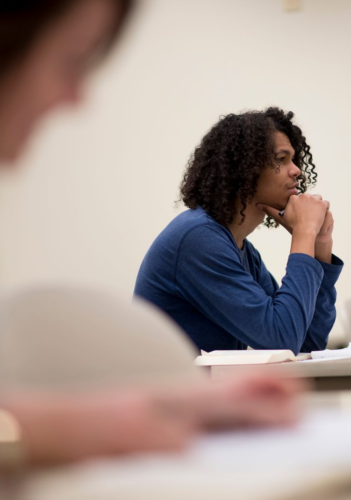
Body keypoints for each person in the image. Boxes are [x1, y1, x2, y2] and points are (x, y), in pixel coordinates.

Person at [0, 0, 301, 473]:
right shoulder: (197, 238)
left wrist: (320, 255)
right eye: (72, 58)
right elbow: (282, 333)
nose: (79, 96)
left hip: (174, 417)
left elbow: (301, 338)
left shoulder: (240, 249)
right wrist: (303, 242)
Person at [134, 108, 344, 354]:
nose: (296, 170)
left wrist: (319, 246)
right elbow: (283, 340)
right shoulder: (198, 239)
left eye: (294, 159)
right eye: (281, 159)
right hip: (167, 391)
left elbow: (307, 341)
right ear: (245, 168)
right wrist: (303, 234)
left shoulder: (242, 250)